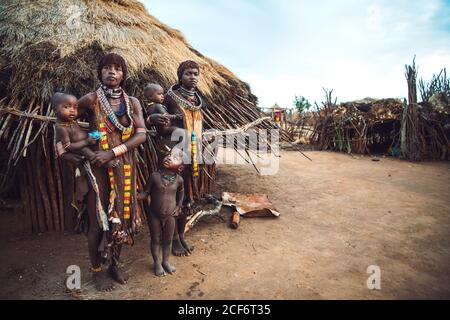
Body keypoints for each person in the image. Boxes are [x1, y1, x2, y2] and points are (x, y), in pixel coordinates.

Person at [60, 53, 147, 291]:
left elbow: (141, 134)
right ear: (100, 72)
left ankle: (114, 266)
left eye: (117, 69)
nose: (112, 72)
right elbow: (66, 120)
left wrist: (114, 152)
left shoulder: (133, 103)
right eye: (107, 68)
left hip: (123, 167)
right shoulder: (90, 100)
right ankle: (97, 270)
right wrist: (87, 147)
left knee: (119, 217)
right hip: (98, 170)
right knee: (98, 221)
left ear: (123, 74)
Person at [148, 60, 203, 257]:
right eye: (188, 73)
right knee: (170, 196)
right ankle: (170, 240)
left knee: (185, 196)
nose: (193, 77)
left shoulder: (197, 99)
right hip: (173, 152)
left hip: (191, 153)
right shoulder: (170, 98)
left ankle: (180, 236)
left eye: (196, 73)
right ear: (180, 76)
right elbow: (162, 127)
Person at [139, 148, 184, 276]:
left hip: (170, 215)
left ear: (180, 168)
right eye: (168, 155)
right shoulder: (154, 176)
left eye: (174, 158)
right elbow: (146, 192)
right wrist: (137, 196)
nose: (169, 158)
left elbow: (181, 192)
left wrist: (179, 206)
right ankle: (157, 263)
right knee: (155, 239)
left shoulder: (179, 180)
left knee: (168, 240)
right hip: (154, 215)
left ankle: (166, 262)